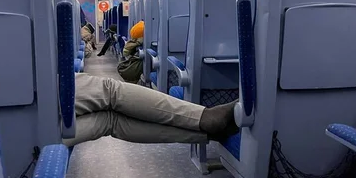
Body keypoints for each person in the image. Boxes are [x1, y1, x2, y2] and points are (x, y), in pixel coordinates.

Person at [67, 72, 239, 146]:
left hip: (45, 132)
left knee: (110, 121)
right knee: (110, 91)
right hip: (42, 124)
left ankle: (208, 132)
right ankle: (207, 119)